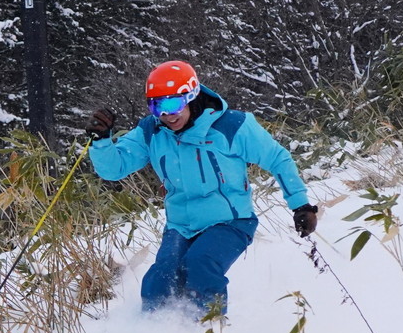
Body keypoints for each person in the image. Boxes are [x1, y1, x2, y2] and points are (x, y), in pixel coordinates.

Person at [86, 60, 317, 317]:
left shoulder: (232, 126)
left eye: (172, 104)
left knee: (200, 266)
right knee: (158, 280)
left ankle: (209, 331)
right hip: (181, 225)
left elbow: (278, 158)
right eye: (156, 106)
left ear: (192, 94)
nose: (166, 115)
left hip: (230, 221)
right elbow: (113, 169)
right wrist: (102, 142)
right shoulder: (152, 131)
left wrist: (301, 205)